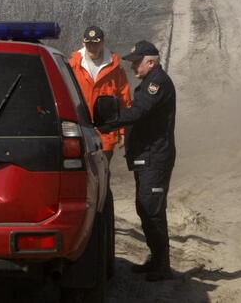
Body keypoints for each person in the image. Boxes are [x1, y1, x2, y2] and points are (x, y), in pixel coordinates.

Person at [98, 40, 176, 282]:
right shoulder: (148, 83)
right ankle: (156, 258)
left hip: (155, 156)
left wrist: (109, 121)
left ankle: (162, 264)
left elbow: (139, 112)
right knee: (145, 207)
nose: (133, 68)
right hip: (146, 155)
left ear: (150, 62)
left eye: (136, 63)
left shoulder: (157, 83)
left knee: (152, 209)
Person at [68, 26, 131, 159]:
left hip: (106, 133)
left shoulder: (115, 68)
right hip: (80, 132)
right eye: (89, 43)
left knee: (102, 175)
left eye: (95, 43)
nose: (92, 47)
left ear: (102, 42)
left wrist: (124, 132)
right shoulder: (73, 65)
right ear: (83, 43)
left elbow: (124, 101)